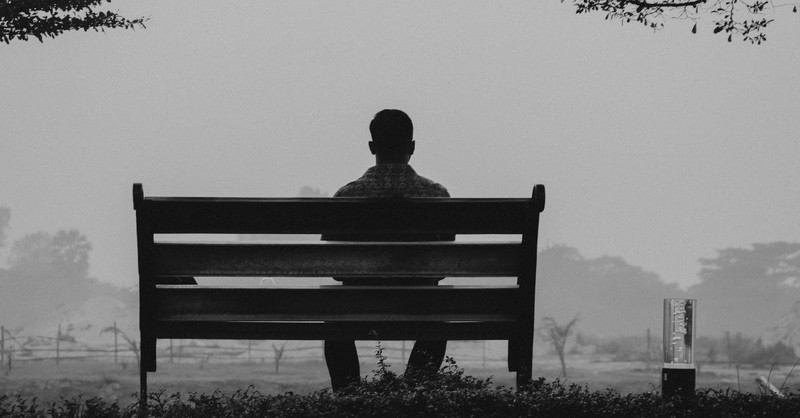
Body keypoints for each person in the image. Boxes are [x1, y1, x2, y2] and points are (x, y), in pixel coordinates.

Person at [322, 109, 452, 391]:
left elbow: (332, 268)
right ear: (412, 147)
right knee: (438, 321)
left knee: (335, 323)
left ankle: (349, 398)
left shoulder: (346, 196)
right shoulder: (437, 196)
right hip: (420, 305)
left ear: (372, 147)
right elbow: (444, 265)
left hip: (357, 305)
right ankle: (413, 393)